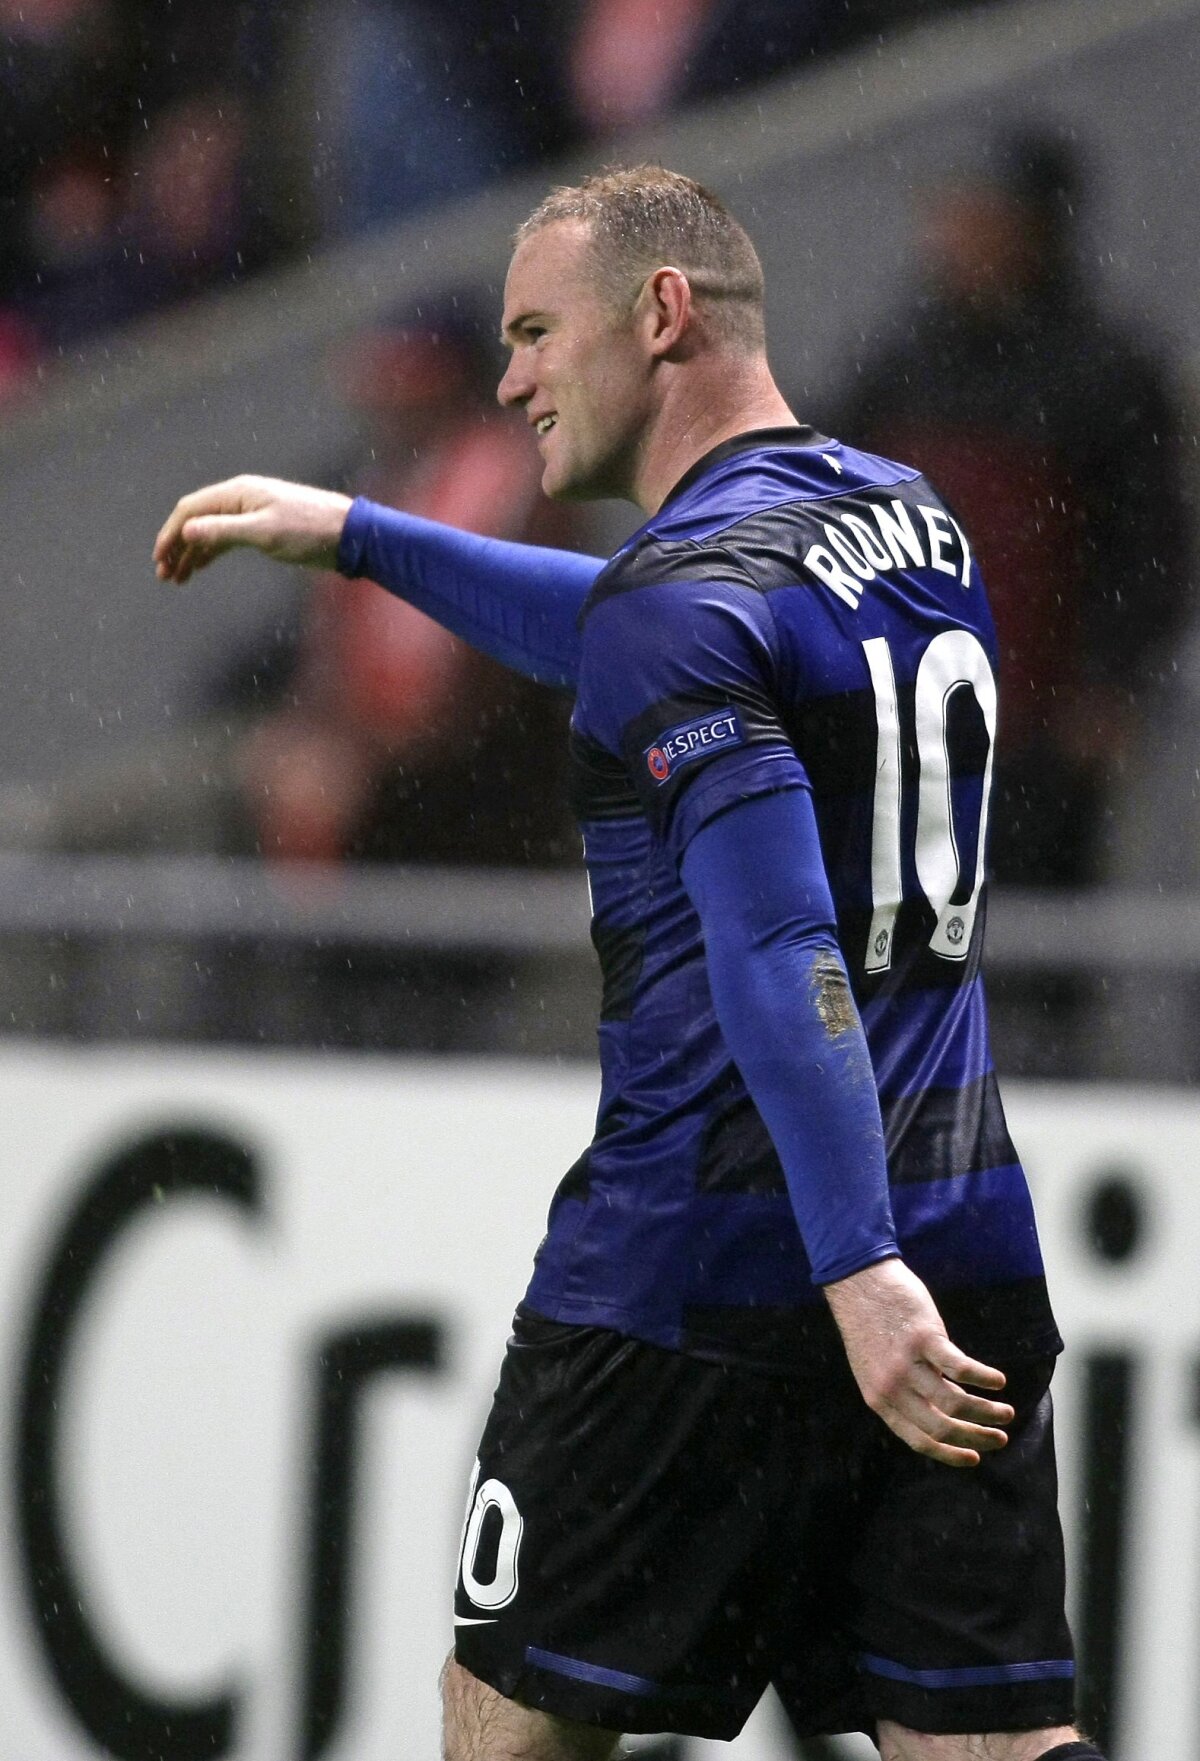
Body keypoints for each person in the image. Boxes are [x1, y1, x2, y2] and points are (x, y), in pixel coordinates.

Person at [155, 166, 1104, 1761]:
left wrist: (850, 1263)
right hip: (959, 1244)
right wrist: (364, 538)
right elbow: (644, 626)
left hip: (702, 1275)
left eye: (537, 331)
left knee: (509, 1734)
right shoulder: (908, 519)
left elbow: (778, 942)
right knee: (994, 1747)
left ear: (661, 314)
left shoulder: (689, 605)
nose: (510, 378)